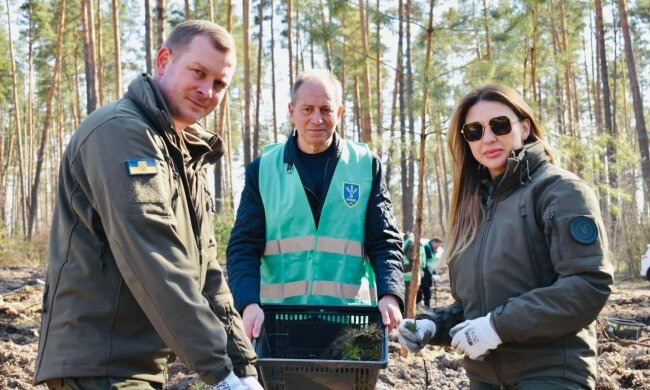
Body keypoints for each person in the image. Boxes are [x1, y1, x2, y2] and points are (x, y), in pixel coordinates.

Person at [34, 21, 262, 390]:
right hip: (100, 360)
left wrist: (243, 368)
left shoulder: (184, 156)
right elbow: (154, 256)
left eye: (219, 83)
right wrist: (220, 373)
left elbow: (207, 276)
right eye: (198, 72)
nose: (207, 91)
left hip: (139, 361)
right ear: (163, 60)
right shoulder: (121, 134)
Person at [397, 84, 613, 389]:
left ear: (524, 127)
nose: (487, 138)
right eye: (474, 130)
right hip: (484, 378)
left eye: (499, 125)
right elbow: (473, 308)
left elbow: (588, 285)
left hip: (550, 374)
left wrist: (496, 327)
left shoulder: (560, 191)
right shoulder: (474, 208)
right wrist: (434, 325)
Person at [226, 70, 405, 340]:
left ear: (340, 111)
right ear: (291, 111)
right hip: (278, 323)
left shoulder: (366, 166)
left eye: (326, 109)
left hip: (349, 322)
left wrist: (390, 294)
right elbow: (243, 246)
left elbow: (385, 240)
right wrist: (248, 303)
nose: (317, 119)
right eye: (307, 109)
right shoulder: (262, 170)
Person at [416, 237, 442, 308]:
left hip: (428, 275)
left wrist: (434, 274)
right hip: (423, 275)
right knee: (421, 293)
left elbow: (431, 263)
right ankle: (418, 307)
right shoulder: (426, 247)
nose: (437, 248)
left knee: (427, 293)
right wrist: (431, 275)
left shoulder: (433, 250)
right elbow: (424, 263)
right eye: (436, 246)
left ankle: (426, 307)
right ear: (433, 242)